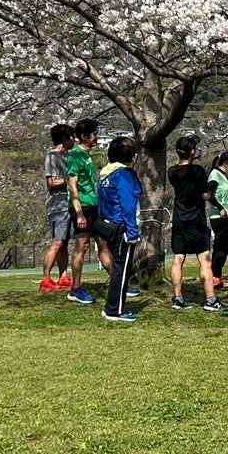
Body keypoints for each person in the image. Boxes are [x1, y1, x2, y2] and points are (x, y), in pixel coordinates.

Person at [168, 134, 220, 312]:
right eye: (195, 149)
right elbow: (206, 195)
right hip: (196, 220)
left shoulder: (172, 171)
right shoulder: (197, 171)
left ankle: (178, 298)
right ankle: (211, 299)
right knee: (204, 259)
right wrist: (211, 186)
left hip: (179, 219)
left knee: (178, 259)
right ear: (191, 152)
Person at [66, 118, 114, 306]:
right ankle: (76, 288)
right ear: (84, 136)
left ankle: (118, 283)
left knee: (103, 243)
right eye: (94, 134)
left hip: (93, 205)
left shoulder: (87, 155)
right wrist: (79, 213)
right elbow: (73, 185)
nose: (97, 137)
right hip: (82, 207)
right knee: (82, 246)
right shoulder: (75, 156)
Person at [95, 136, 143, 322]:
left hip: (108, 224)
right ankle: (114, 310)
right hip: (121, 227)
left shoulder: (106, 174)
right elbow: (128, 205)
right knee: (121, 270)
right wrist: (132, 232)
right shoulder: (124, 175)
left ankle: (114, 307)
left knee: (118, 268)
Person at [40, 123, 75, 292]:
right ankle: (46, 278)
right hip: (58, 205)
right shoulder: (52, 156)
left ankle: (63, 276)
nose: (73, 140)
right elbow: (52, 183)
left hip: (69, 204)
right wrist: (71, 182)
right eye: (71, 137)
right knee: (58, 242)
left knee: (64, 243)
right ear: (64, 138)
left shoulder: (69, 157)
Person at [206, 151, 228, 288]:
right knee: (220, 247)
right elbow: (209, 195)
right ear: (226, 163)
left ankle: (218, 276)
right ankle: (215, 277)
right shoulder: (215, 176)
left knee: (225, 247)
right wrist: (220, 208)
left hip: (226, 216)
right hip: (219, 217)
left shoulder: (222, 175)